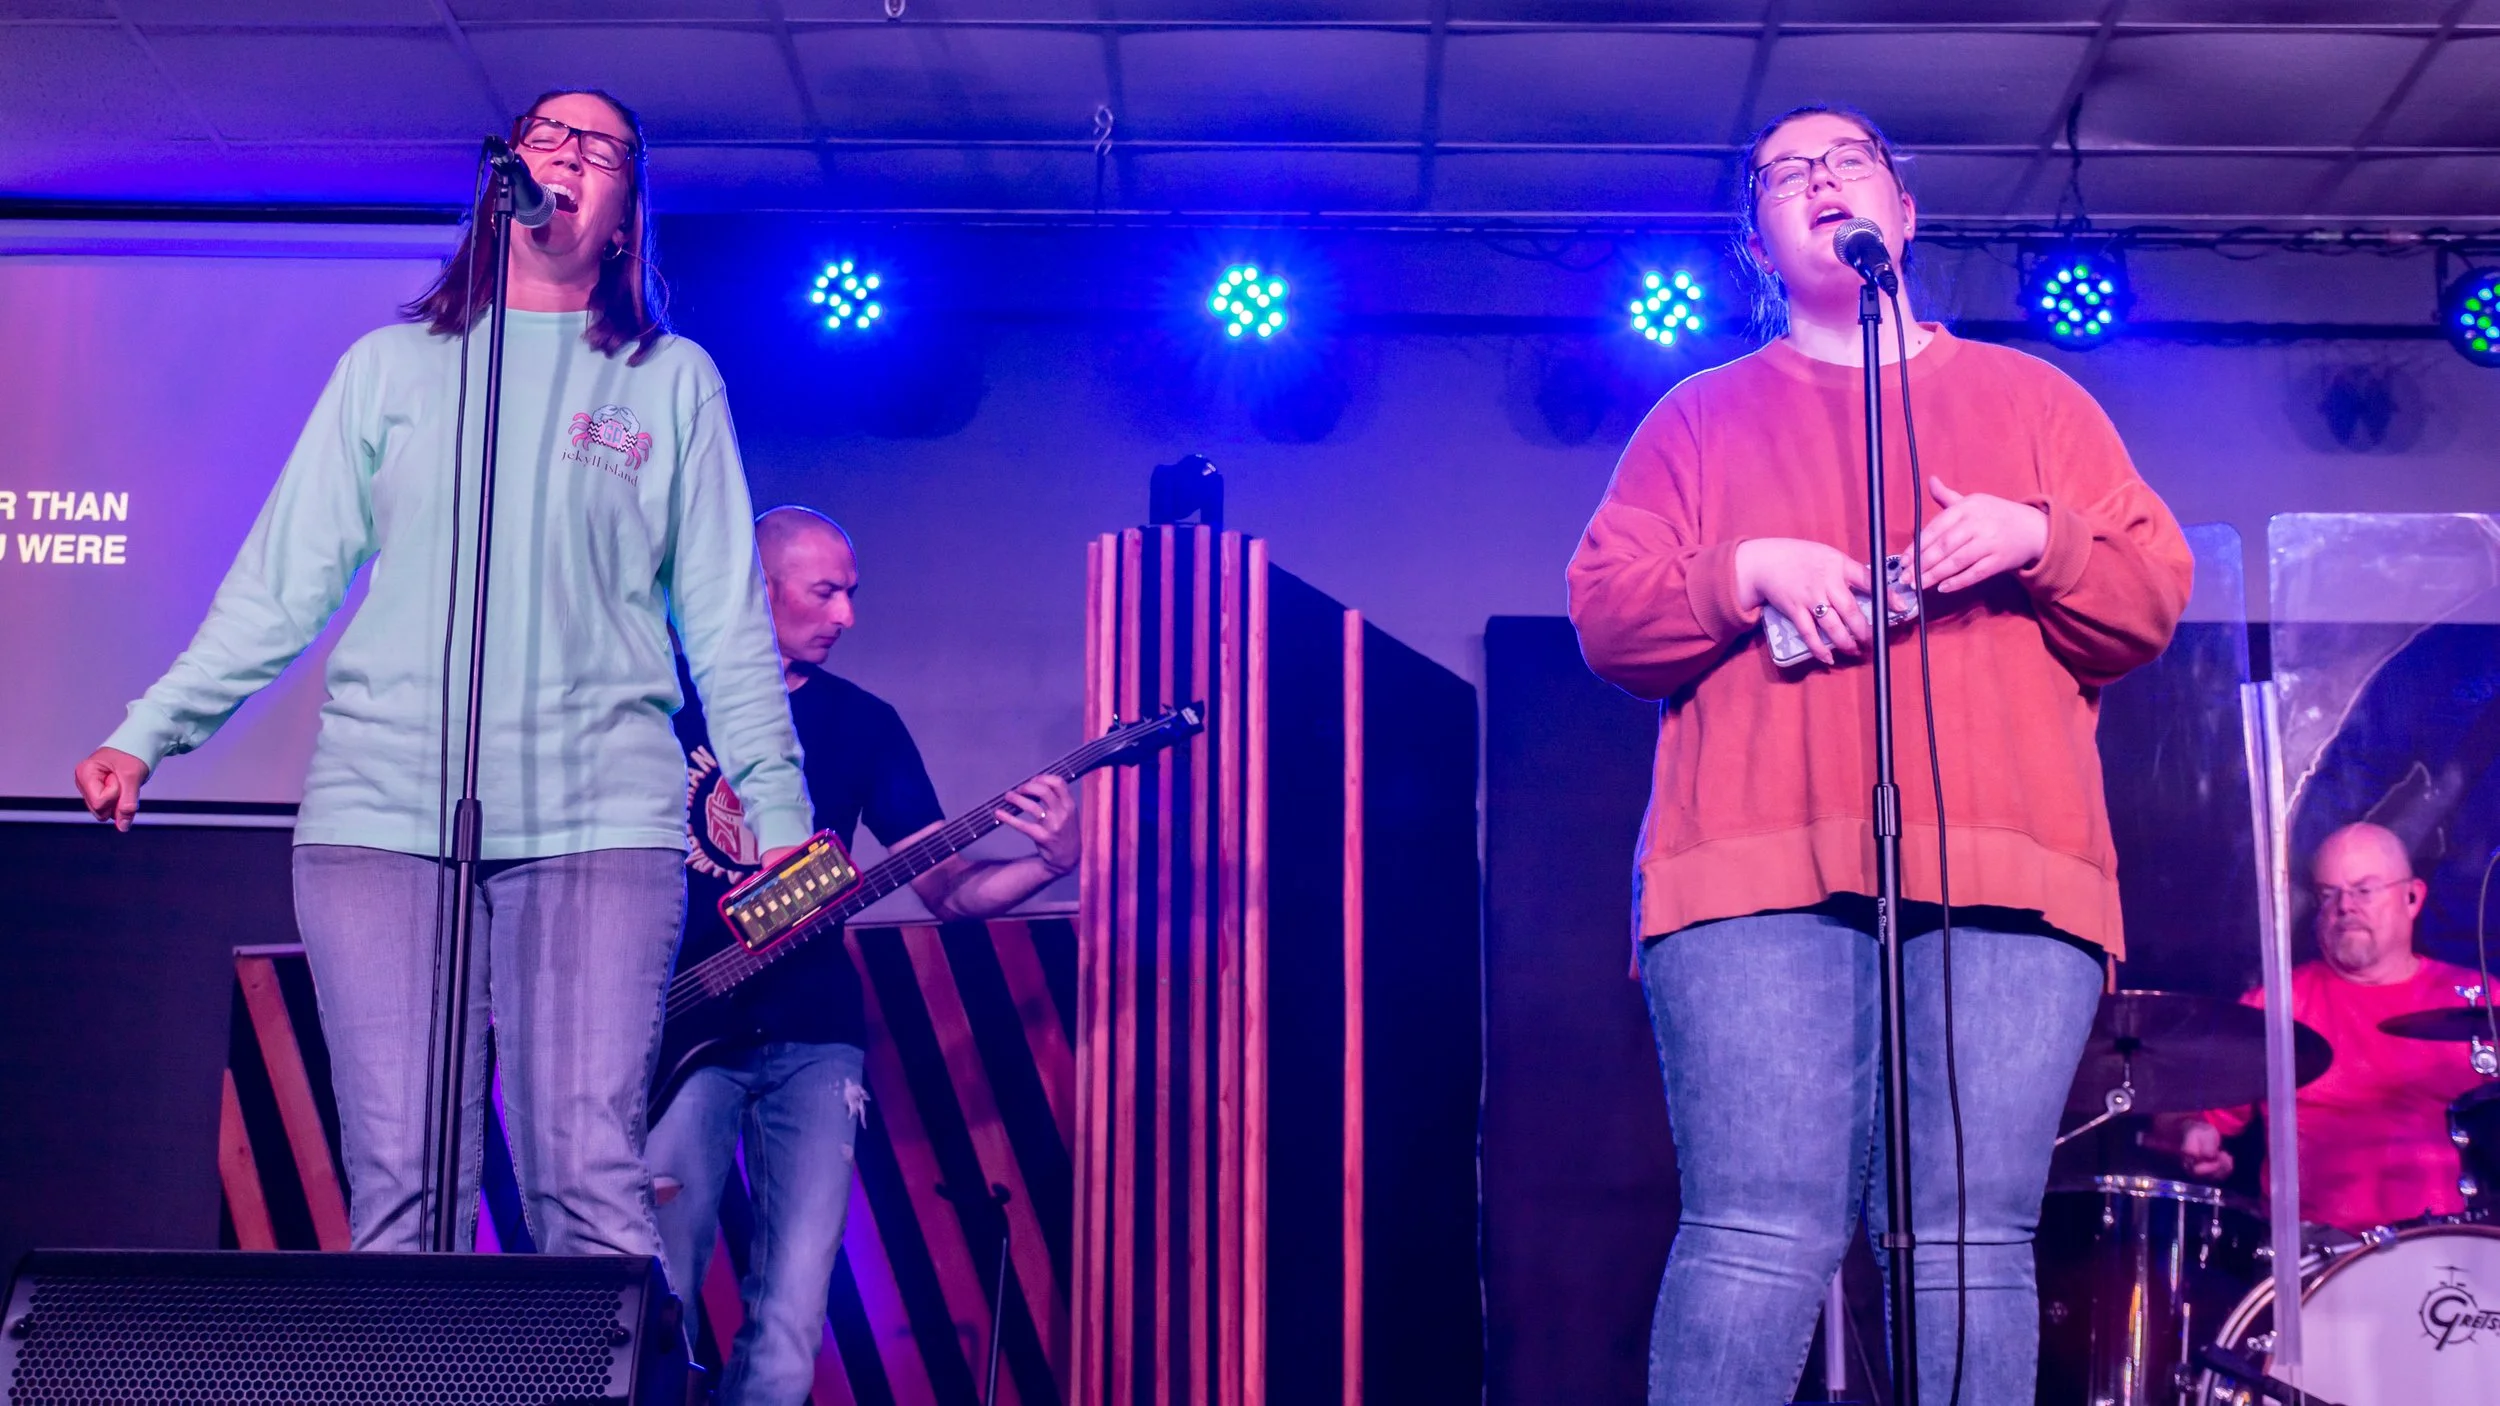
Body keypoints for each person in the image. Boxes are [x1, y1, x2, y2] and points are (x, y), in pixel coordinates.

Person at [71, 91, 809, 1266]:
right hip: (382, 814)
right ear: (504, 173)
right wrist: (150, 727)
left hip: (598, 821)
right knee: (405, 1195)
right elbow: (282, 586)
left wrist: (776, 808)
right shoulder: (390, 368)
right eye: (545, 137)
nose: (565, 157)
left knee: (584, 1184)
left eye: (599, 149)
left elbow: (722, 620)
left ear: (624, 213)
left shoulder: (670, 382)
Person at [1566, 104, 2192, 1406]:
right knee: (1757, 1230)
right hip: (1750, 874)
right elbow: (1608, 613)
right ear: (1757, 239)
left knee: (1969, 1240)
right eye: (1787, 172)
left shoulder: (2035, 397)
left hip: (2009, 872)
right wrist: (1743, 569)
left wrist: (2040, 536)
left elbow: (2145, 602)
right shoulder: (1699, 415)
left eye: (1849, 161)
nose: (1821, 180)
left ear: (1902, 214)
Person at [649, 506, 1078, 1406]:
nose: (846, 615)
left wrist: (1048, 861)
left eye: (852, 594)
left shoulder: (864, 725)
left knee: (796, 1310)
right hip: (674, 1030)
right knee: (661, 1291)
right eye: (825, 592)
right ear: (757, 592)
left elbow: (951, 891)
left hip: (815, 1036)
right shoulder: (660, 702)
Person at [2156, 821, 2489, 1230]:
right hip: (2319, 1262)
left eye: (2364, 890)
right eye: (2329, 894)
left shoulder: (2477, 1000)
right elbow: (2179, 1113)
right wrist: (2193, 1132)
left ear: (2413, 897)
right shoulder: (2278, 1005)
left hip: (2464, 1253)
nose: (2344, 906)